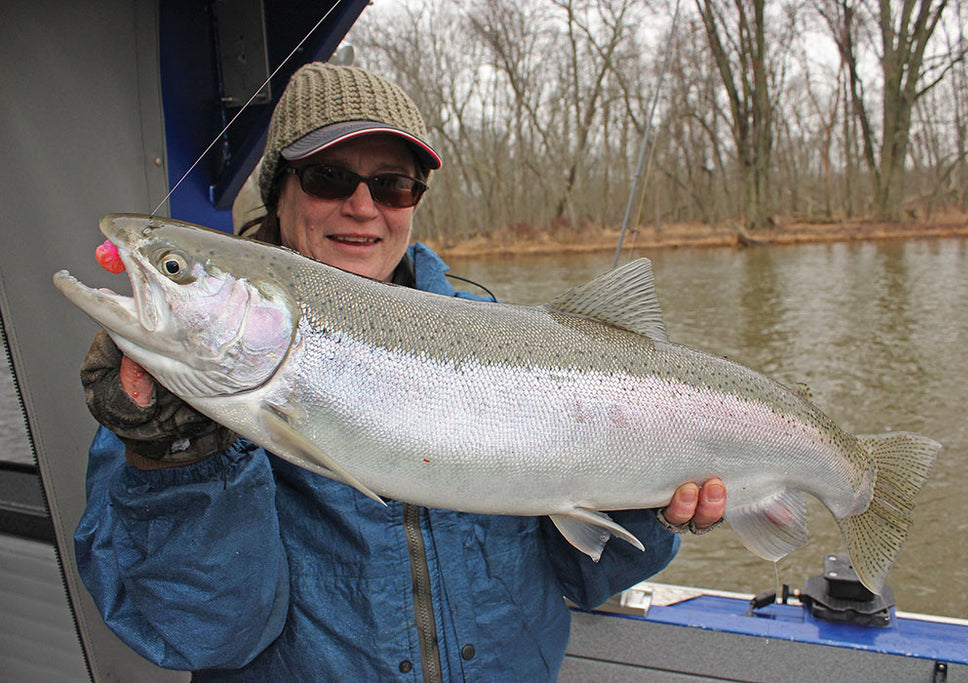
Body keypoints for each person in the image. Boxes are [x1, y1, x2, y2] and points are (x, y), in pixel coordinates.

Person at [75, 62, 726, 681]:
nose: (363, 206)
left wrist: (651, 509)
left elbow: (587, 574)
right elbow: (205, 633)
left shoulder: (502, 337)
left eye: (392, 184)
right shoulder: (171, 401)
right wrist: (180, 456)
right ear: (279, 194)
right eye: (329, 178)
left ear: (413, 203)